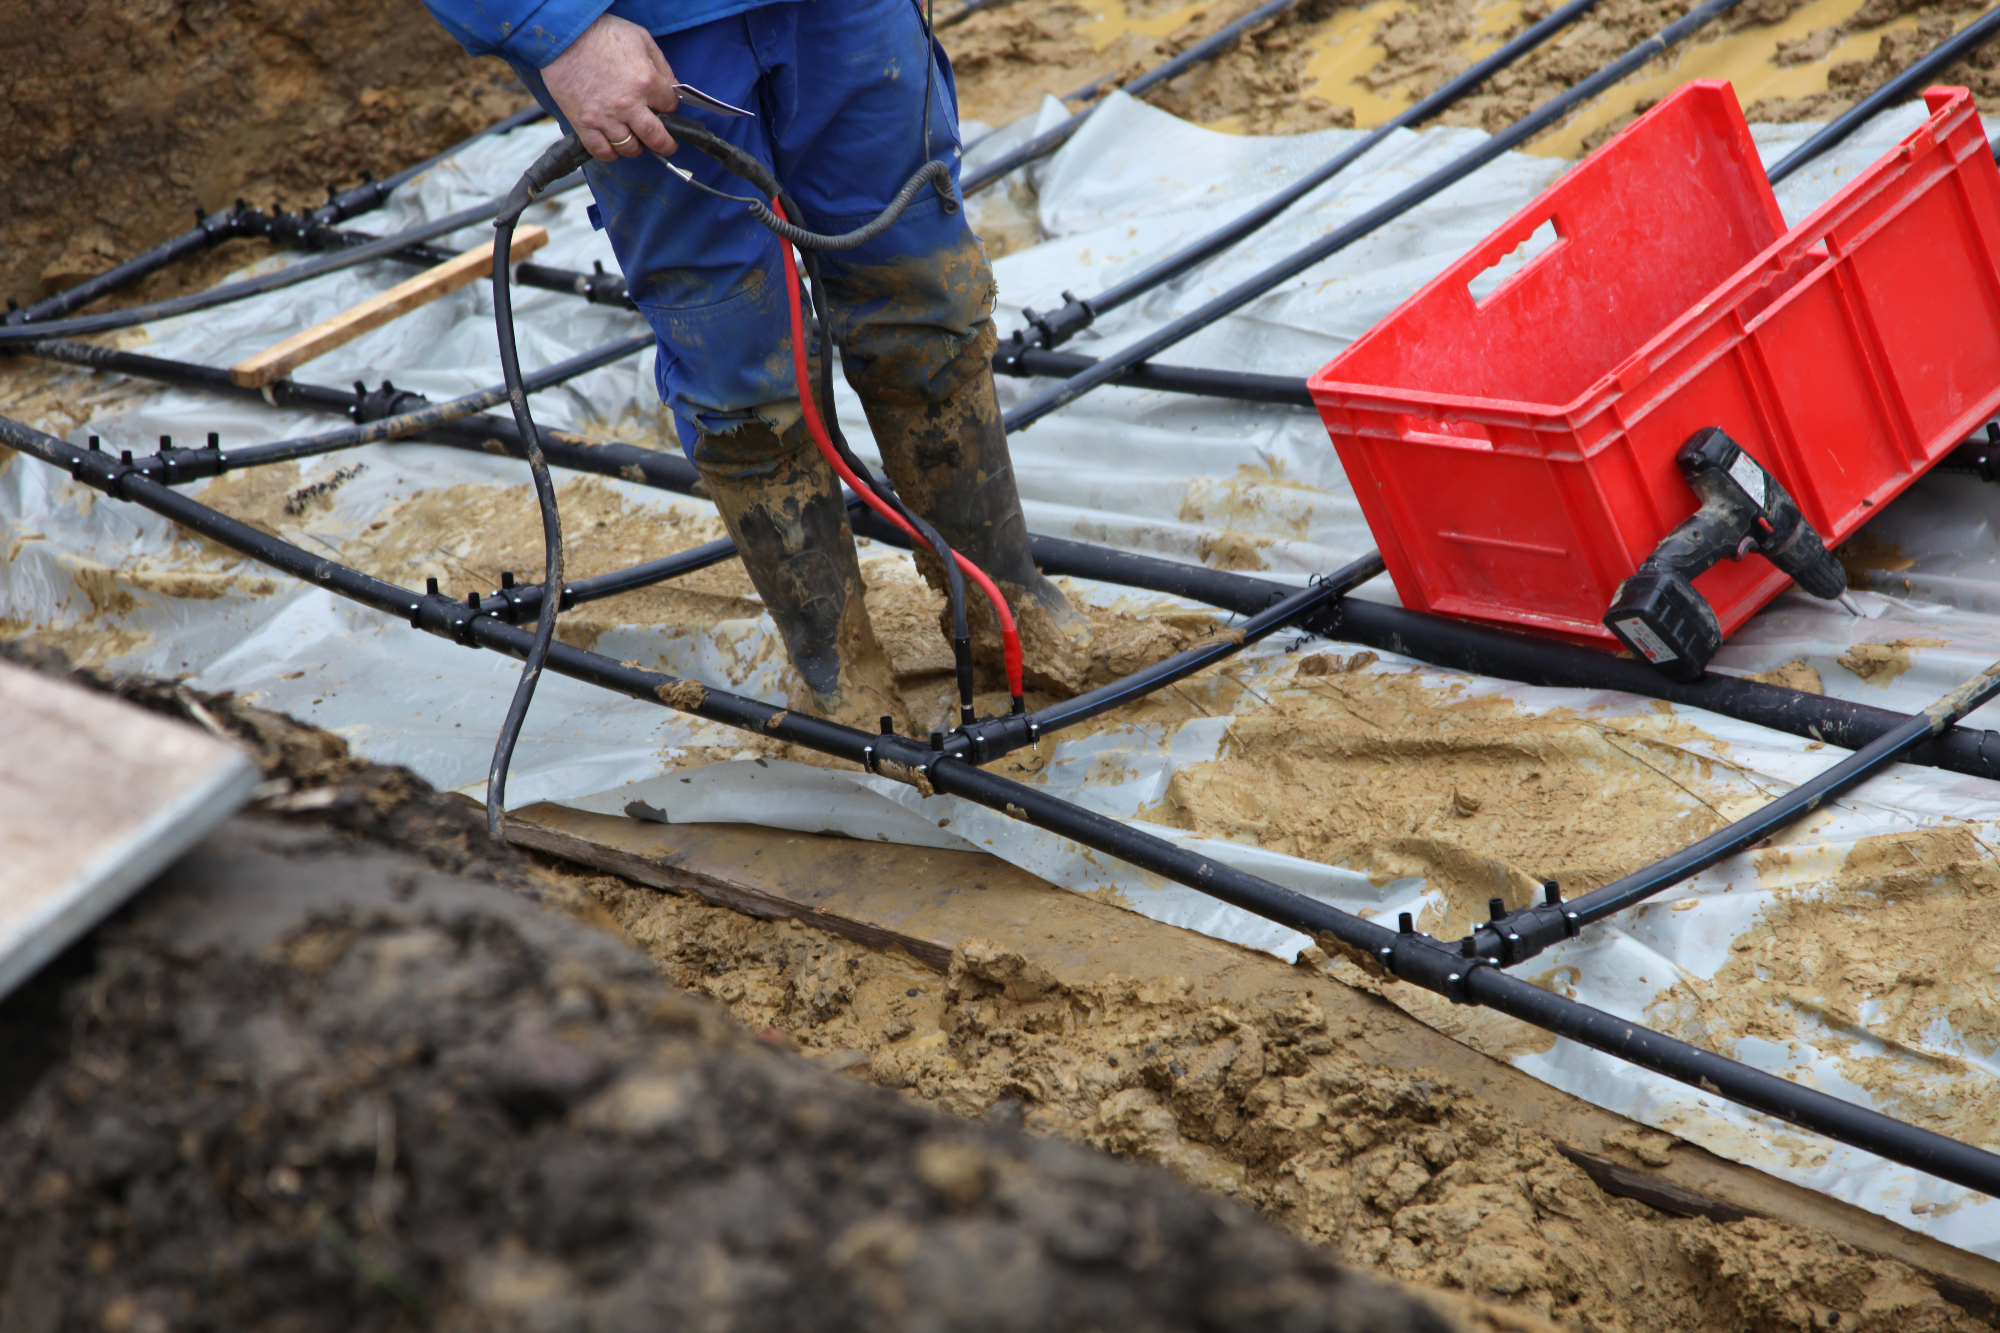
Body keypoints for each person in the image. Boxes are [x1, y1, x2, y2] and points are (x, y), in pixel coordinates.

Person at [419, 0, 1094, 730]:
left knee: (926, 289)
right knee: (741, 369)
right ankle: (840, 676)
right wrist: (557, 26)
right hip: (652, 27)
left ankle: (1007, 599)